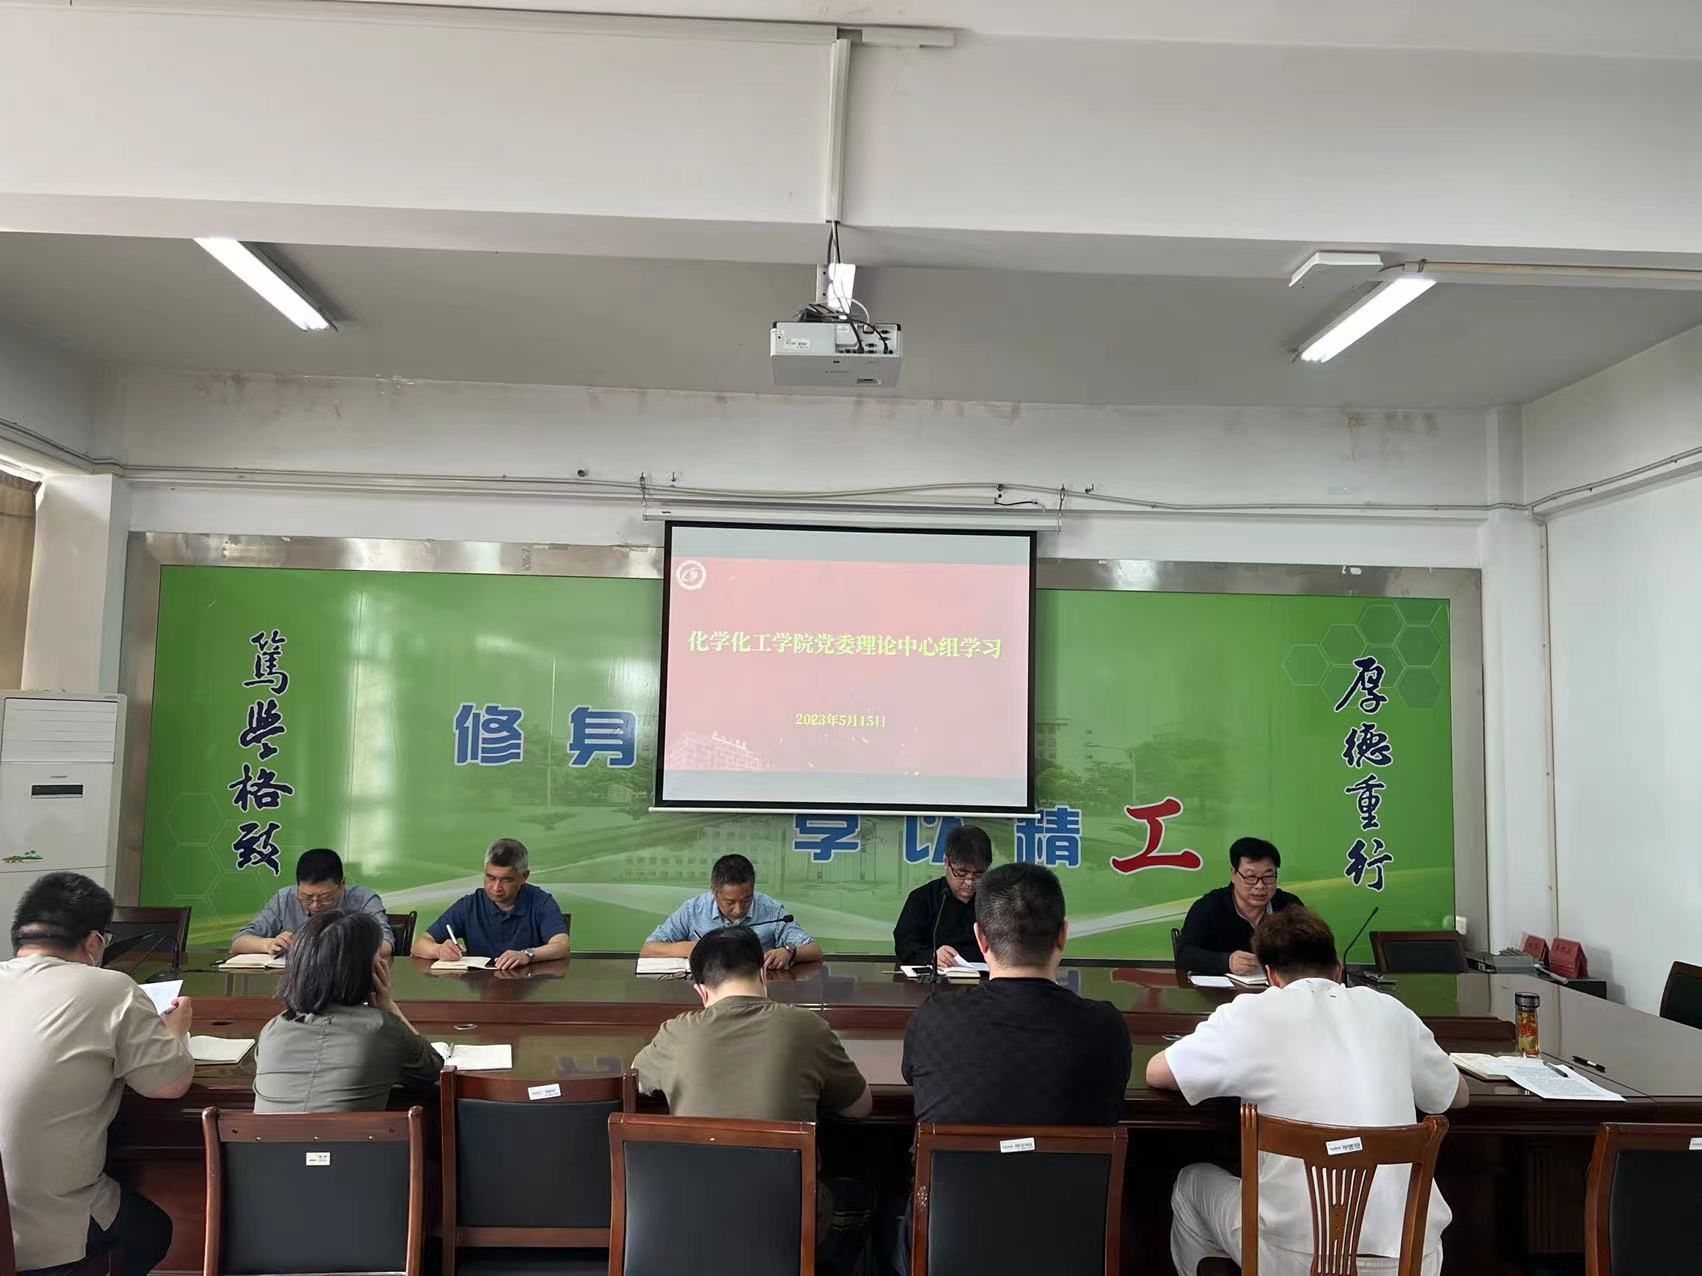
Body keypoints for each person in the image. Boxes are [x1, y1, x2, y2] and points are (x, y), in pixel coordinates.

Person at [1147, 907, 1467, 1276]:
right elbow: (1455, 1096)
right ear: (1338, 970)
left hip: (1292, 1257)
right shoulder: (1391, 1011)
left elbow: (1158, 1072)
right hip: (1410, 1256)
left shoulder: (1251, 1013)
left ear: (1270, 975)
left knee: (1191, 1183)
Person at [633, 925, 871, 1274]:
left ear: (700, 990)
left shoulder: (676, 1032)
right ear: (763, 973)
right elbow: (860, 1107)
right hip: (785, 1220)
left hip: (693, 1218)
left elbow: (636, 1080)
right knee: (860, 1195)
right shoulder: (807, 1027)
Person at [0, 872, 194, 1275]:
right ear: (94, 942)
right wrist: (174, 1032)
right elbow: (169, 1084)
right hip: (43, 1236)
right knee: (152, 1231)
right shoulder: (111, 988)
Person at [903, 862, 1132, 1125]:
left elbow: (913, 1077)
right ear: (1063, 936)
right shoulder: (1106, 1027)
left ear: (981, 939)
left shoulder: (933, 1019)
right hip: (1065, 1156)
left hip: (962, 1156)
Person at [254, 908, 442, 1112]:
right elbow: (433, 1070)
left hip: (267, 1135)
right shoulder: (382, 1029)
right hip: (353, 1135)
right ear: (369, 970)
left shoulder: (272, 1031)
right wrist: (388, 1005)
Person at [641, 853, 820, 970]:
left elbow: (814, 950)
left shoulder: (771, 910)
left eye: (746, 900)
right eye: (730, 902)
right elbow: (648, 949)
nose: (738, 909)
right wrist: (692, 948)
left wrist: (789, 952)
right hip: (707, 990)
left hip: (756, 991)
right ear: (714, 891)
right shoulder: (693, 910)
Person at [412, 839, 570, 970]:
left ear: (524, 877)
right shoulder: (470, 905)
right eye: (490, 878)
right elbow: (419, 945)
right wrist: (439, 950)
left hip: (529, 987)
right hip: (481, 988)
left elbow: (562, 946)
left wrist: (527, 954)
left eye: (506, 880)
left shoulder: (541, 902)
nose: (496, 888)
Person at [232, 847, 395, 958]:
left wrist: (338, 948)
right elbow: (239, 941)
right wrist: (268, 944)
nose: (315, 905)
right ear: (297, 886)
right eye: (306, 897)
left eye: (325, 897)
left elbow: (386, 945)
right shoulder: (285, 898)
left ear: (342, 884)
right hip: (295, 984)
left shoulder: (363, 900)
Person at [1175, 836, 1304, 975]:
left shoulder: (1289, 906)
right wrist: (1226, 962)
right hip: (1222, 988)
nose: (1260, 886)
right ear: (1234, 874)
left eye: (1268, 877)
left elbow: (1316, 950)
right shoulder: (1209, 907)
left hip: (1279, 986)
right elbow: (1184, 955)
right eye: (1251, 877)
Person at [892, 824, 992, 969]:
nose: (969, 882)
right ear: (946, 862)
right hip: (938, 976)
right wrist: (931, 956)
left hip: (988, 978)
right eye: (961, 873)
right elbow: (904, 945)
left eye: (978, 874)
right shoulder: (922, 898)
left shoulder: (996, 900)